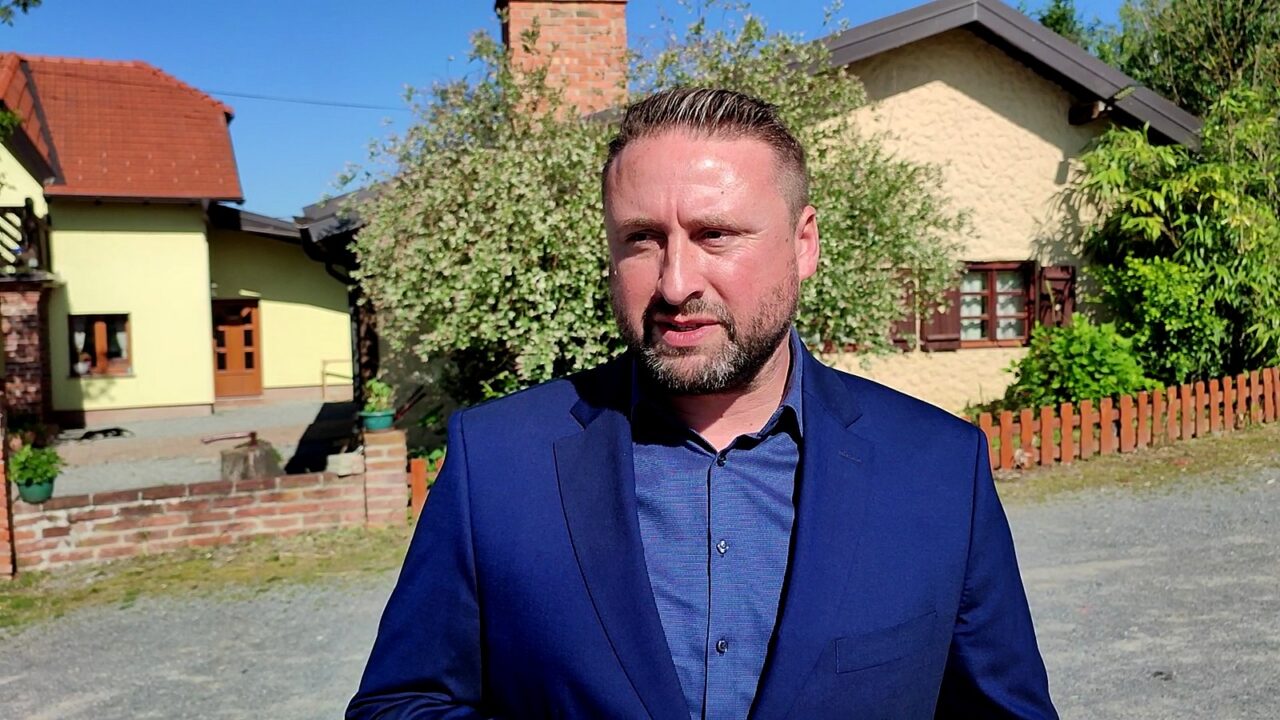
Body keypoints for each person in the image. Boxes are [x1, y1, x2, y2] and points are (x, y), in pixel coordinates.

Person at [348, 87, 1057, 719]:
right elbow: (401, 703)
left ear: (803, 244)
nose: (675, 282)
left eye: (716, 235)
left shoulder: (938, 468)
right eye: (642, 239)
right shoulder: (498, 462)